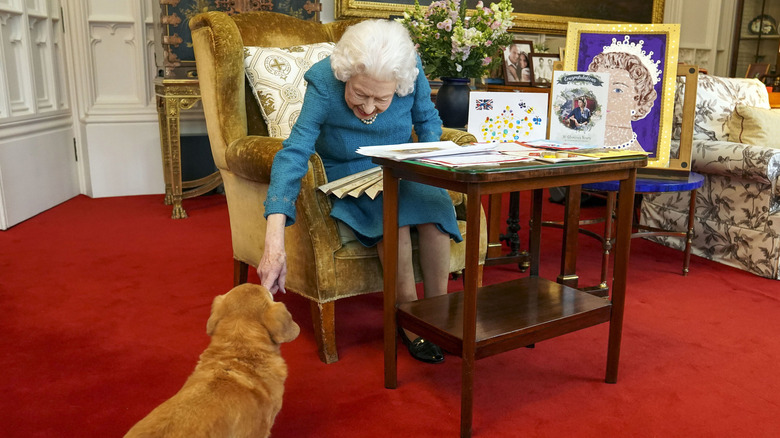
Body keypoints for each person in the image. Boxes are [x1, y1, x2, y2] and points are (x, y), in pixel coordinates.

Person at [258, 19, 459, 364]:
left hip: (402, 164)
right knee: (392, 221)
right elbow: (295, 151)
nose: (368, 108)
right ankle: (409, 320)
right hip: (348, 170)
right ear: (345, 74)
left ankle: (436, 315)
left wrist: (431, 167)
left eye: (381, 99)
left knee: (435, 214)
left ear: (398, 83)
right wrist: (274, 236)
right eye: (359, 94)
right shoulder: (324, 79)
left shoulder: (410, 69)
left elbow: (427, 122)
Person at [587, 38, 659, 152]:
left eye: (617, 90)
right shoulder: (577, 146)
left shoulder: (637, 155)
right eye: (599, 87)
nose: (604, 98)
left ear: (638, 100)